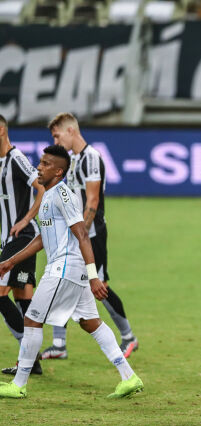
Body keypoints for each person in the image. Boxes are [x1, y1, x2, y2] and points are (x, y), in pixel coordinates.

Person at [0, 145, 143, 399]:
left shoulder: (63, 195)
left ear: (58, 171)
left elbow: (81, 234)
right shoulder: (46, 196)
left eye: (44, 164)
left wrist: (94, 275)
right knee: (91, 323)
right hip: (67, 269)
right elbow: (41, 239)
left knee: (32, 319)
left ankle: (19, 384)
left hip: (65, 268)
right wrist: (11, 262)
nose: (38, 168)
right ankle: (129, 377)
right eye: (40, 162)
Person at [45, 113, 138, 360]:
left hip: (91, 235)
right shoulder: (71, 159)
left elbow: (93, 199)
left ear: (71, 132)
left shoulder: (92, 157)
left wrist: (81, 233)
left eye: (57, 135)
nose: (55, 140)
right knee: (60, 278)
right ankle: (59, 343)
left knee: (100, 286)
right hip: (74, 234)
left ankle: (128, 336)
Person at [0, 115, 45, 376]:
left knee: (1, 294)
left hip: (23, 236)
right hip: (9, 240)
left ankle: (27, 355)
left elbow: (41, 186)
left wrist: (27, 218)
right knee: (23, 299)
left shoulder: (16, 158)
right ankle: (33, 361)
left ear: (2, 130)